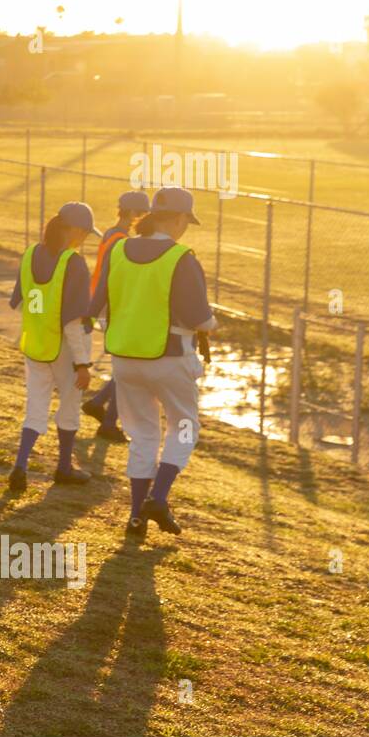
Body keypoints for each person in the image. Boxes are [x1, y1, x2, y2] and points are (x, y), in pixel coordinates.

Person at [88, 186, 216, 537]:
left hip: (125, 360)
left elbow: (97, 301)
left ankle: (135, 517)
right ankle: (158, 498)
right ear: (177, 219)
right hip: (170, 358)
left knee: (142, 434)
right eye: (186, 221)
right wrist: (212, 324)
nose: (185, 228)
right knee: (184, 428)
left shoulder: (118, 249)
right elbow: (197, 317)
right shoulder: (180, 256)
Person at [7, 202, 99, 493]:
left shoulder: (31, 253)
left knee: (36, 407)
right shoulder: (73, 262)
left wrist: (41, 321)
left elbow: (20, 302)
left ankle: (20, 465)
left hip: (35, 345)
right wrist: (82, 364)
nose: (84, 238)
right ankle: (63, 467)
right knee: (69, 407)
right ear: (73, 230)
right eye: (84, 233)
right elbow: (73, 321)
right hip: (65, 349)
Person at [82, 190, 152, 442]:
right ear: (132, 212)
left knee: (126, 366)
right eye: (141, 213)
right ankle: (108, 420)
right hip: (110, 304)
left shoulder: (113, 233)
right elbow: (112, 276)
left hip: (103, 301)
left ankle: (100, 405)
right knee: (129, 366)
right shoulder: (121, 240)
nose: (142, 218)